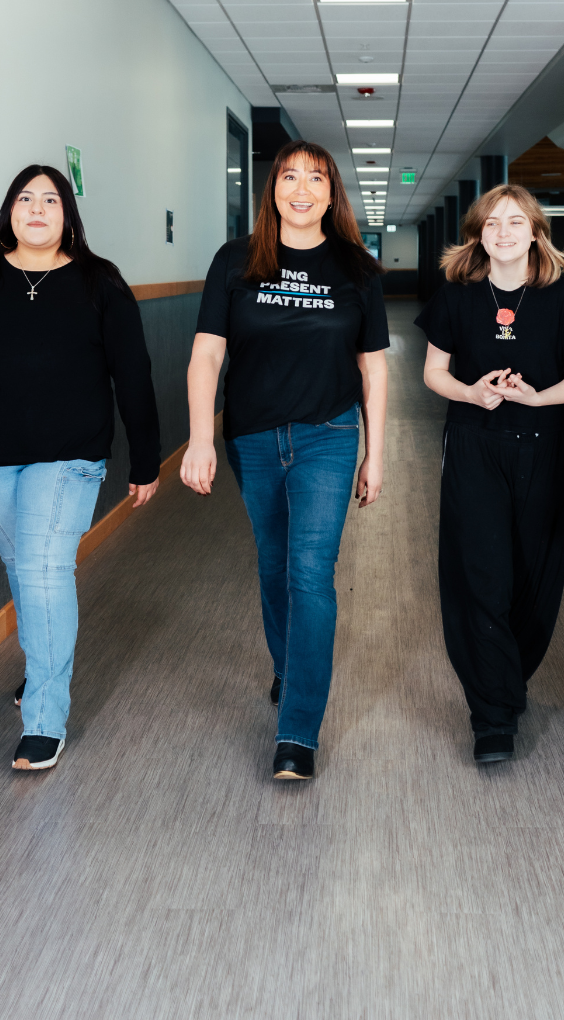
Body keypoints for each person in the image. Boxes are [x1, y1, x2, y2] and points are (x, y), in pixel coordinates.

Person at [0, 165, 161, 772]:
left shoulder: (99, 282)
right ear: (9, 211)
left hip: (71, 455)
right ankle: (40, 674)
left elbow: (132, 372)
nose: (36, 208)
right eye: (25, 198)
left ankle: (44, 719)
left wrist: (146, 453)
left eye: (50, 199)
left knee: (43, 568)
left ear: (68, 214)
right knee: (24, 568)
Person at [181, 141, 389, 781]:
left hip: (328, 434)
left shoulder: (357, 268)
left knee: (308, 571)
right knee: (273, 566)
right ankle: (287, 664)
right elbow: (207, 356)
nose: (302, 188)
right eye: (290, 177)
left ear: (333, 193)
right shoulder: (236, 261)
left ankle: (297, 730)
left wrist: (375, 455)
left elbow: (373, 368)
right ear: (273, 189)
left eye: (317, 178)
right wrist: (198, 438)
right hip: (253, 439)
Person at [416, 185, 564, 763]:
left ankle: (507, 675)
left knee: (535, 579)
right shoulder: (457, 295)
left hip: (544, 448)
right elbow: (433, 372)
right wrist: (471, 391)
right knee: (480, 573)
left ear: (536, 232)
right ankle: (492, 714)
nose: (504, 231)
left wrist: (537, 399)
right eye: (493, 223)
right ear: (479, 233)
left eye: (517, 222)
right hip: (475, 446)